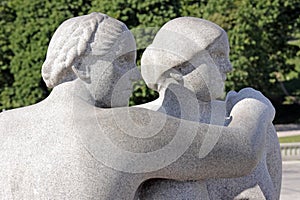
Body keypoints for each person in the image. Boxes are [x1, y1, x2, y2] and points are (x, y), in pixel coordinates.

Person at [0, 13, 276, 199]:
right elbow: (244, 150)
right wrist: (253, 105)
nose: (134, 74)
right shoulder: (121, 130)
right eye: (123, 61)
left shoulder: (5, 125)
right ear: (81, 66)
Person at [137, 17, 281, 200]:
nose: (228, 67)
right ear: (178, 66)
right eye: (218, 56)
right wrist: (254, 108)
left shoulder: (250, 122)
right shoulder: (140, 122)